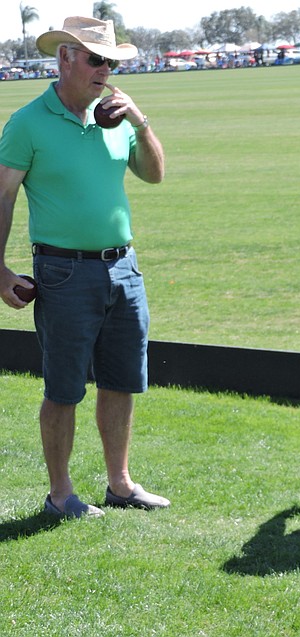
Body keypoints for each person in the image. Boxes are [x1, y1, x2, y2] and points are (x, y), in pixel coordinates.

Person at [0, 17, 169, 518]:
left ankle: (120, 484)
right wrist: (0, 271)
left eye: (111, 62)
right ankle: (60, 495)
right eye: (96, 59)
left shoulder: (115, 116)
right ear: (66, 59)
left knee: (121, 380)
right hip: (63, 273)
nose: (105, 70)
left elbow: (155, 175)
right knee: (64, 389)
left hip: (124, 270)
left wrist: (141, 121)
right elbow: (3, 197)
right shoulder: (27, 122)